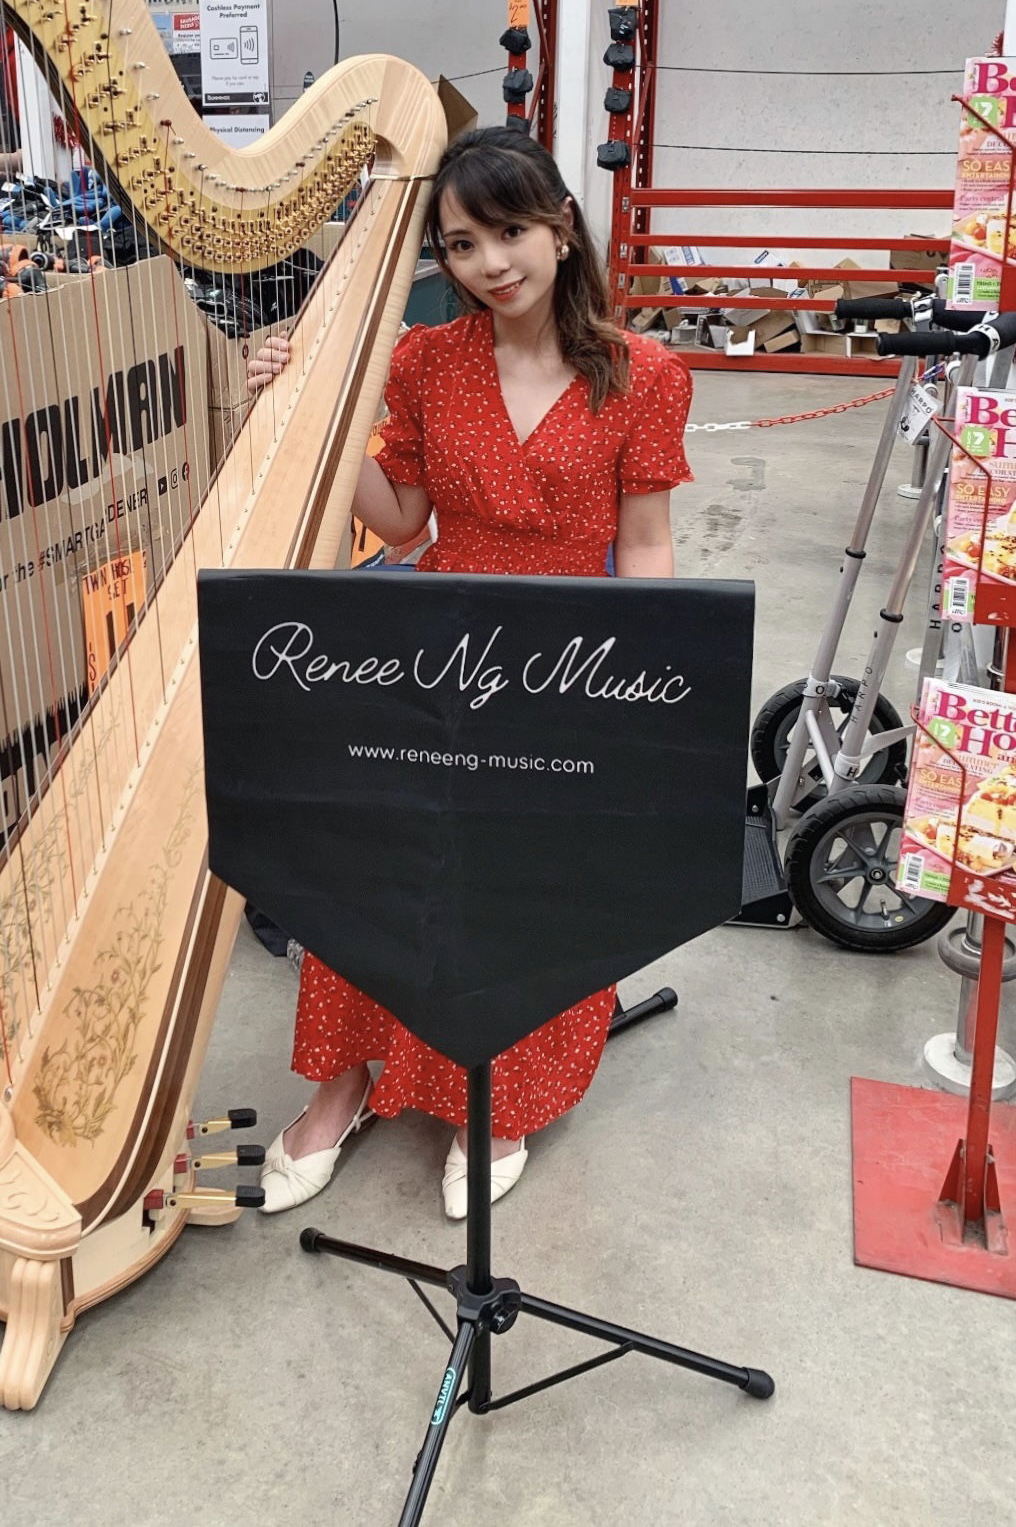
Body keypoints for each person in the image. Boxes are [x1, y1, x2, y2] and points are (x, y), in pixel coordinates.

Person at [243, 126, 692, 1220]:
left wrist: (634, 702)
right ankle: (344, 1086)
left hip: (570, 655)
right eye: (461, 245)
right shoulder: (424, 362)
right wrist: (307, 412)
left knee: (525, 880)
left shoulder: (644, 374)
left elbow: (641, 544)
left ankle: (493, 1093)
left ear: (559, 226)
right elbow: (399, 520)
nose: (491, 262)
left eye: (508, 230)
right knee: (363, 853)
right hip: (439, 634)